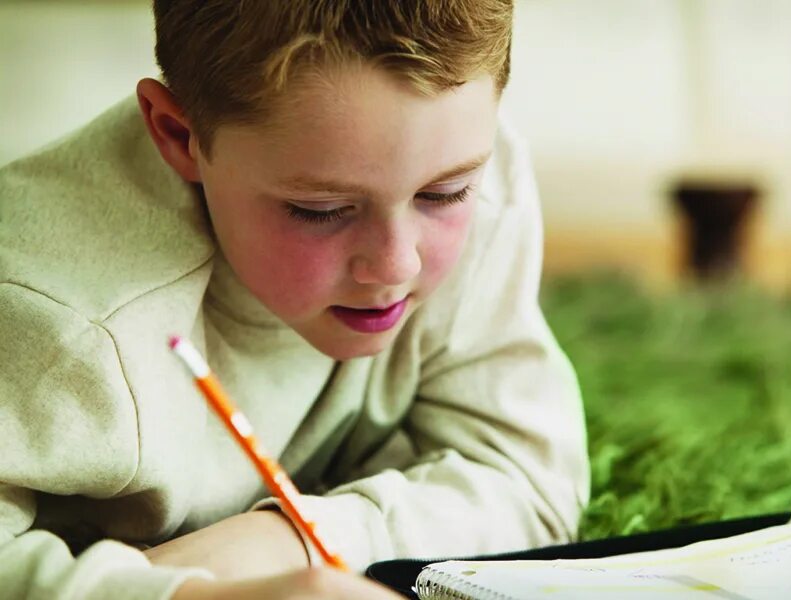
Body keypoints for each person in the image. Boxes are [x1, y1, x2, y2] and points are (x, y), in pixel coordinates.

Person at [0, 1, 590, 598]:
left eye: (446, 194)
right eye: (322, 211)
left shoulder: (464, 162)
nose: (396, 264)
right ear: (180, 136)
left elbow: (532, 479)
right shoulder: (60, 321)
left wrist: (289, 540)